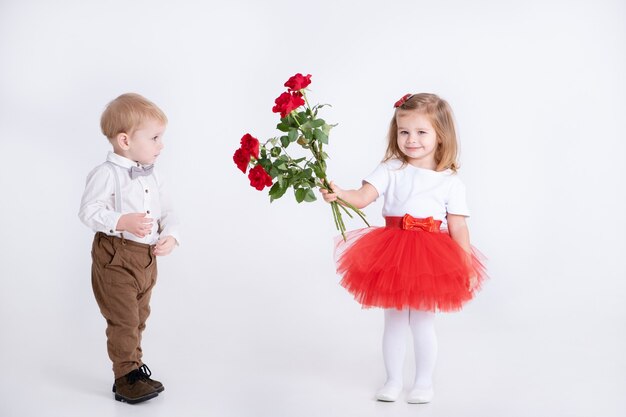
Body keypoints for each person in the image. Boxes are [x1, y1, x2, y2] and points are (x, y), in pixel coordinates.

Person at [321, 93, 486, 404]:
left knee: (423, 320)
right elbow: (362, 197)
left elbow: (458, 226)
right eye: (404, 132)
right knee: (394, 319)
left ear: (441, 136)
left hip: (430, 257)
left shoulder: (451, 181)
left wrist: (464, 262)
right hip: (393, 252)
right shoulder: (391, 169)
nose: (411, 140)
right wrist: (339, 193)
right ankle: (393, 380)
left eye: (422, 132)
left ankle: (423, 382)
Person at [78, 93, 180, 404]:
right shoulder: (106, 174)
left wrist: (172, 235)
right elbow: (88, 211)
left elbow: (168, 211)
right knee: (123, 319)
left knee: (138, 317)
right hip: (115, 256)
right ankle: (125, 376)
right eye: (154, 137)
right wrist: (120, 220)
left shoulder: (154, 174)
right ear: (125, 140)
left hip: (146, 260)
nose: (160, 145)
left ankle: (135, 369)